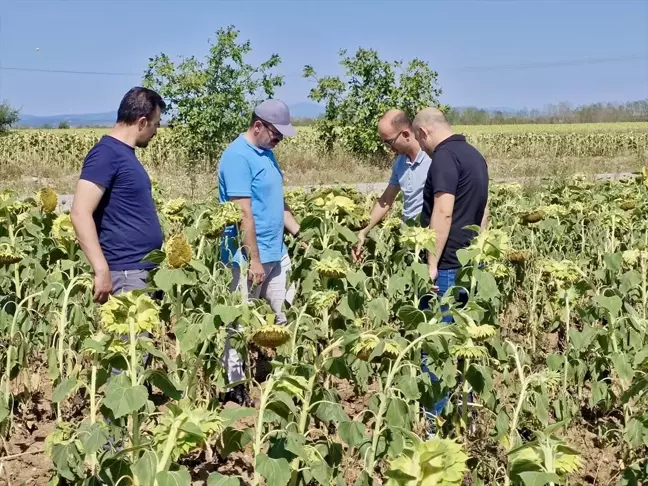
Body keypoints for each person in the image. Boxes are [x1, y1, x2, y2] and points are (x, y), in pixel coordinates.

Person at [412, 106, 489, 436]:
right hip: (471, 266)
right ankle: (467, 420)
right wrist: (479, 255)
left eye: (420, 140)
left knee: (438, 349)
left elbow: (442, 213)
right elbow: (484, 212)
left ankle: (436, 428)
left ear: (424, 133)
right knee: (465, 347)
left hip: (446, 267)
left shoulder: (443, 159)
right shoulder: (475, 155)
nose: (422, 146)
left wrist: (431, 263)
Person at [217, 98, 301, 405]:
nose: (280, 139)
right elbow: (243, 213)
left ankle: (284, 379)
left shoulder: (266, 153)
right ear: (258, 126)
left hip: (276, 252)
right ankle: (234, 387)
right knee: (238, 323)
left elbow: (277, 201)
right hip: (246, 258)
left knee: (285, 317)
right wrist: (252, 258)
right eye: (276, 133)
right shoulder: (238, 157)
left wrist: (299, 232)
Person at [70, 87, 166, 300]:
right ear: (141, 122)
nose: (156, 131)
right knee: (132, 334)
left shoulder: (123, 154)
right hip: (125, 272)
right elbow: (79, 213)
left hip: (140, 270)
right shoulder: (106, 154)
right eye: (155, 124)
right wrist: (101, 269)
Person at [352, 109, 431, 261]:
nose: (388, 147)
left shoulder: (433, 159)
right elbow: (386, 200)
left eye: (389, 142)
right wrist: (363, 231)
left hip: (429, 241)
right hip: (409, 242)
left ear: (406, 134)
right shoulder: (400, 163)